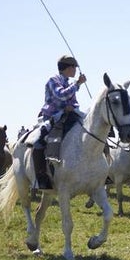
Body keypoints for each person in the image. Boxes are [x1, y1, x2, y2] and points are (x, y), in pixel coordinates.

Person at [32, 55, 87, 189]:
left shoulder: (69, 83)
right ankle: (41, 177)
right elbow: (61, 95)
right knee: (39, 141)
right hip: (54, 117)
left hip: (71, 115)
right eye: (74, 67)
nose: (75, 70)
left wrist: (72, 104)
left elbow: (70, 99)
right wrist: (78, 84)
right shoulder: (53, 80)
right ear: (67, 68)